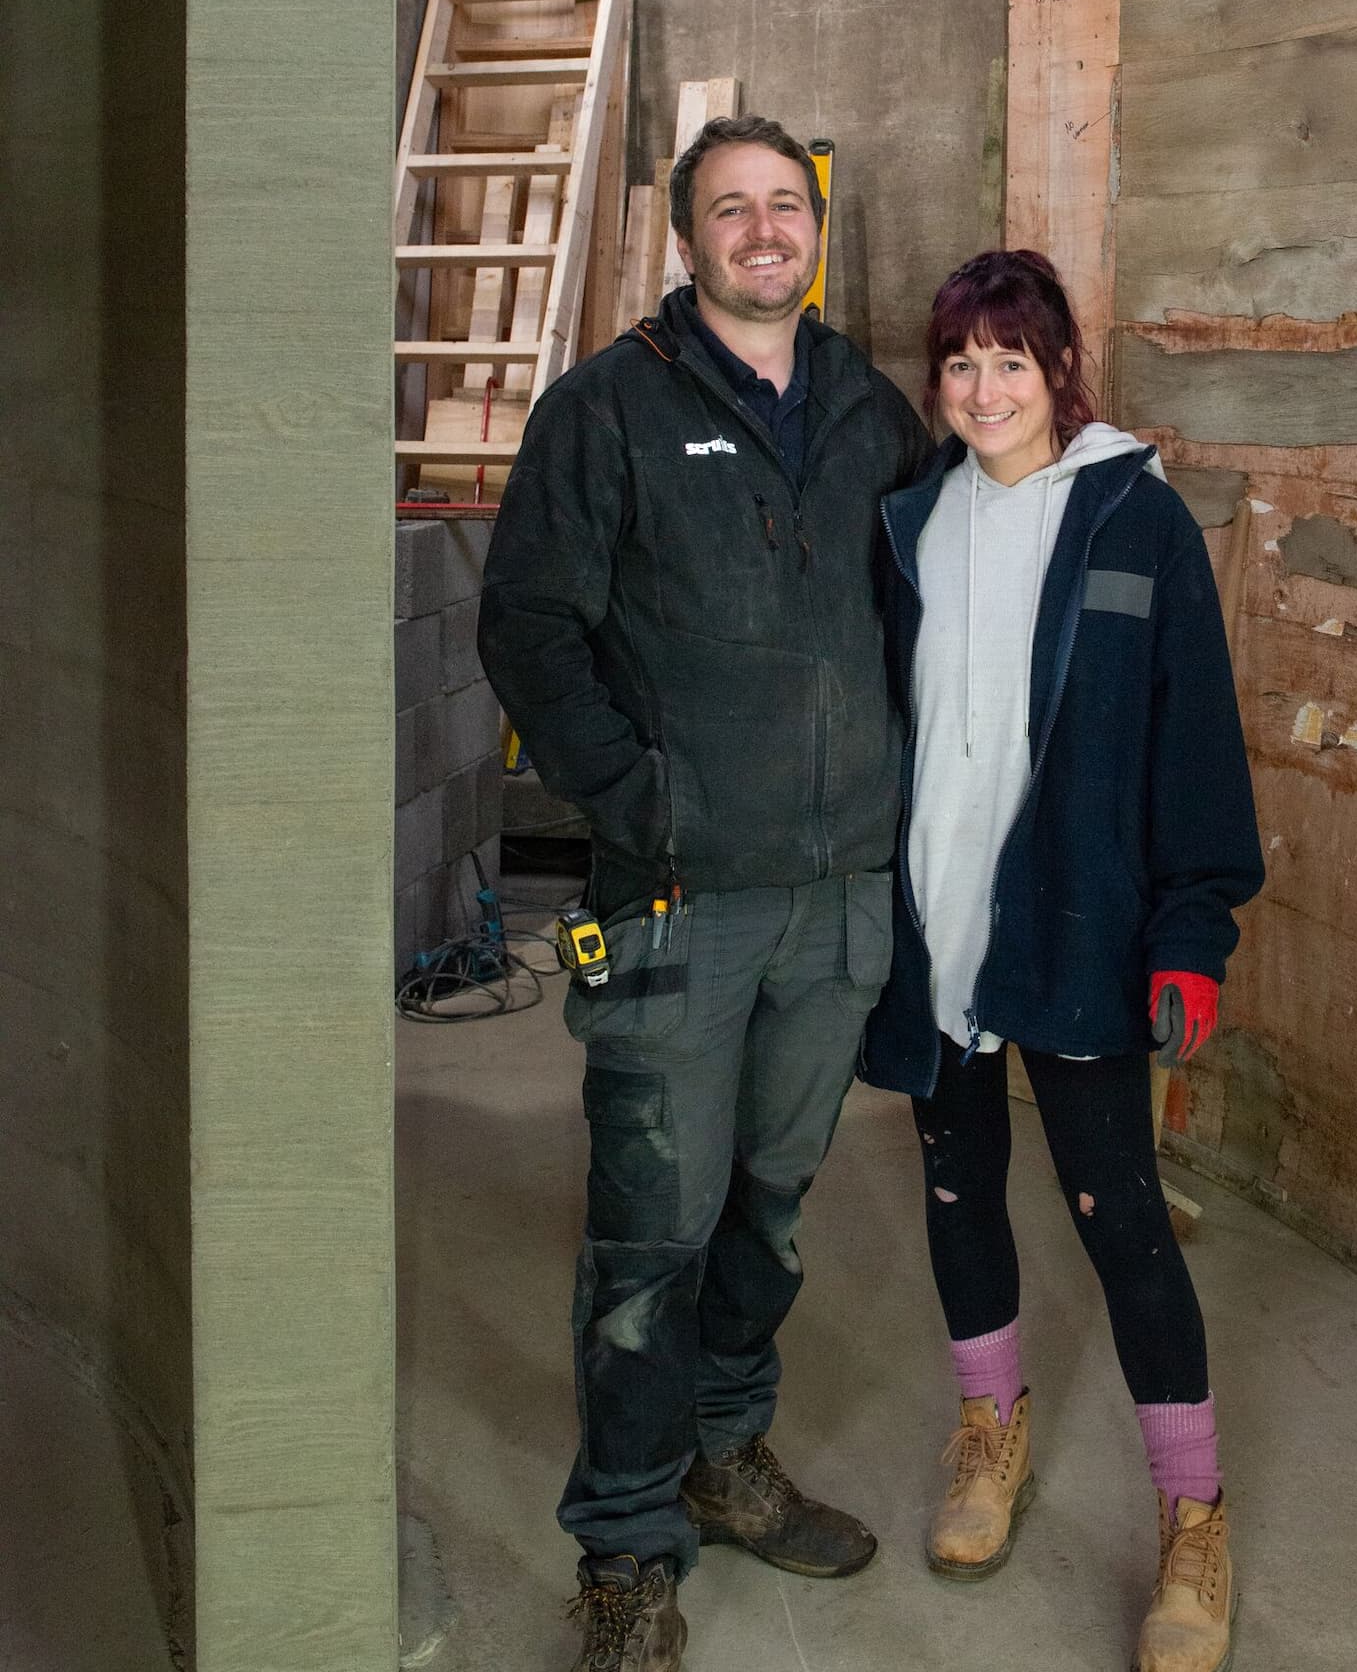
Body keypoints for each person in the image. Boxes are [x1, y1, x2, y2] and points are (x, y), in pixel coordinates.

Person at [479, 114, 931, 1672]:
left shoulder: (875, 410)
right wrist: (644, 803)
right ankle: (623, 1544)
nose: (761, 233)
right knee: (646, 1234)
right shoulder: (605, 410)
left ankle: (728, 1456)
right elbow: (529, 624)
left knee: (773, 1205)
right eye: (728, 211)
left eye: (782, 208)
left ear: (815, 229)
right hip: (678, 904)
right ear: (685, 242)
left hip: (838, 900)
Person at [862, 248, 1264, 1672]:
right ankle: (993, 1429)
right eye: (960, 361)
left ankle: (1192, 1517)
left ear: (1059, 372)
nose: (982, 387)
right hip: (941, 928)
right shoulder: (911, 524)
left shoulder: (1134, 522)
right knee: (959, 1185)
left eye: (1009, 360)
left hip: (1079, 932)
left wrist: (1195, 927)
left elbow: (1194, 740)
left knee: (1123, 1221)